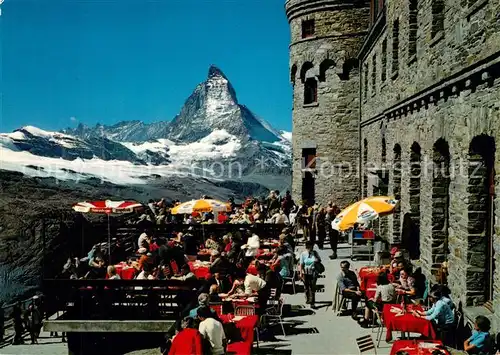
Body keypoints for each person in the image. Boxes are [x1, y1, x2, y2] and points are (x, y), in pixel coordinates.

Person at [299, 241, 321, 307]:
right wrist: (301, 273)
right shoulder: (303, 254)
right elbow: (301, 264)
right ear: (306, 247)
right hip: (306, 272)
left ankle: (312, 302)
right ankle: (308, 298)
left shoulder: (315, 253)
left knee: (312, 287)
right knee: (306, 287)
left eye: (311, 247)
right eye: (309, 247)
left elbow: (319, 260)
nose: (310, 249)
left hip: (313, 271)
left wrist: (316, 259)